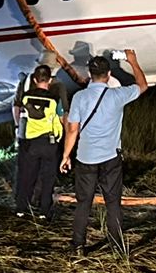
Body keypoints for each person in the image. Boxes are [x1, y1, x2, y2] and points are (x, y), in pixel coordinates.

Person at [61, 50, 148, 256]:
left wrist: (66, 156)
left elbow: (72, 130)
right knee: (113, 204)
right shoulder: (117, 95)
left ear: (90, 74)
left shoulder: (79, 97)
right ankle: (117, 247)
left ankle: (78, 246)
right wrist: (133, 62)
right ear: (108, 74)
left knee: (83, 203)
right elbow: (143, 86)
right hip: (111, 158)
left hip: (85, 158)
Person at [13, 64, 65, 221]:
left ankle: (22, 208)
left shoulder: (26, 97)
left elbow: (19, 112)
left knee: (26, 176)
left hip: (30, 141)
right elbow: (61, 119)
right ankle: (44, 211)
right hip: (49, 141)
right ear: (49, 80)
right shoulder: (54, 99)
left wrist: (17, 129)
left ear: (35, 80)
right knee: (48, 177)